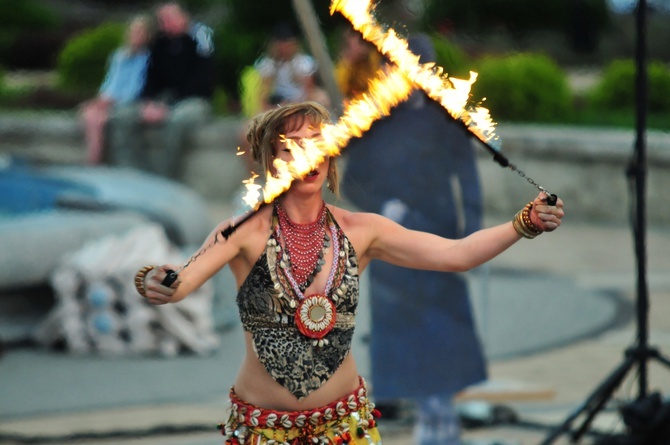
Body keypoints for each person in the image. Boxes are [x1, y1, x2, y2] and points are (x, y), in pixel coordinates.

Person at [133, 101, 564, 444]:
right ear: (271, 160)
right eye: (291, 146)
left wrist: (522, 222)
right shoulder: (240, 233)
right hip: (262, 433)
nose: (308, 154)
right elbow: (182, 281)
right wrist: (155, 279)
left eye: (316, 141)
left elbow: (456, 255)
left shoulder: (363, 231)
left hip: (345, 429)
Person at [342, 34, 487, 445]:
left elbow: (467, 175)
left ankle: (443, 409)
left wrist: (473, 234)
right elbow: (352, 176)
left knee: (444, 325)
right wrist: (382, 207)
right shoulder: (375, 115)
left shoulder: (446, 115)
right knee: (403, 328)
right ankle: (424, 410)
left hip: (441, 234)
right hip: (393, 243)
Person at [107, 1, 215, 179]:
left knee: (176, 122)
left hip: (193, 100)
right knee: (122, 117)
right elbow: (150, 78)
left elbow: (202, 81)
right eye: (162, 20)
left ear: (184, 17)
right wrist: (150, 102)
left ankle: (163, 178)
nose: (165, 24)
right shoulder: (159, 42)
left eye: (170, 19)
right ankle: (130, 173)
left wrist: (167, 105)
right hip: (161, 100)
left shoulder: (201, 38)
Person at [79, 15, 152, 165]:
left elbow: (136, 89)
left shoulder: (147, 59)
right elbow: (109, 83)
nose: (135, 36)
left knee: (106, 118)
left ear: (147, 36)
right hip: (110, 101)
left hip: (129, 103)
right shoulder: (119, 56)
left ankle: (98, 161)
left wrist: (111, 101)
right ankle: (93, 161)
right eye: (133, 32)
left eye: (140, 32)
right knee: (90, 115)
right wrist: (102, 99)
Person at [253, 22, 330, 111]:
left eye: (287, 45)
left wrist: (294, 104)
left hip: (300, 100)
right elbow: (264, 91)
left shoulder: (304, 62)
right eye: (281, 45)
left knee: (322, 96)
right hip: (277, 102)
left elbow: (309, 89)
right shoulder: (268, 64)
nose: (284, 49)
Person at [334, 27, 382, 103]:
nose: (362, 43)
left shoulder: (373, 57)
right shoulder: (342, 68)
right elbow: (339, 91)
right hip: (357, 107)